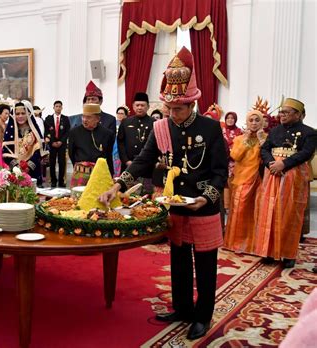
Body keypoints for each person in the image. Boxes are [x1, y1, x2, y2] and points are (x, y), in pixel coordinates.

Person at [100, 47, 228, 340]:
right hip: (176, 206)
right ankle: (182, 308)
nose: (173, 114)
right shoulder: (162, 127)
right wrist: (118, 185)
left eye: (179, 109)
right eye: (170, 109)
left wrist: (205, 198)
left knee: (205, 266)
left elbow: (221, 172)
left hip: (203, 206)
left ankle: (202, 316)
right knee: (179, 261)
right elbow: (144, 161)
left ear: (192, 105)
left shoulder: (210, 129)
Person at [254, 98, 317, 268]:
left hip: (293, 175)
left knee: (289, 214)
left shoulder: (309, 133)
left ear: (298, 115)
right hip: (272, 173)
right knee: (269, 212)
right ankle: (267, 252)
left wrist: (284, 164)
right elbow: (264, 149)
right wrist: (271, 164)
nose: (282, 115)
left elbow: (306, 153)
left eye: (286, 112)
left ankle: (288, 254)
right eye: (281, 112)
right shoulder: (274, 131)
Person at [223, 110, 266, 253]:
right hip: (242, 178)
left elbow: (268, 158)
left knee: (257, 211)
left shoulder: (266, 138)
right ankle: (236, 244)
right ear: (247, 122)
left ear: (262, 122)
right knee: (239, 210)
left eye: (257, 120)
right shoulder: (239, 139)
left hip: (260, 179)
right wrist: (246, 140)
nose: (254, 123)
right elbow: (235, 156)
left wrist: (262, 142)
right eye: (251, 120)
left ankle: (254, 245)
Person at [68, 103, 115, 187]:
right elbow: (71, 153)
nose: (84, 120)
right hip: (81, 174)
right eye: (83, 116)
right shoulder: (74, 132)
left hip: (99, 174)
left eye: (88, 117)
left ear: (97, 119)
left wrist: (111, 174)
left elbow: (108, 155)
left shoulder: (107, 134)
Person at [3, 100, 46, 185]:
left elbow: (39, 149)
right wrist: (17, 167)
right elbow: (6, 152)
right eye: (17, 114)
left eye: (23, 113)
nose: (20, 116)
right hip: (15, 171)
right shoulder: (10, 131)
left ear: (28, 114)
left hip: (33, 169)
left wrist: (28, 166)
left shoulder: (34, 131)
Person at [117, 92, 154, 172]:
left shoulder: (154, 123)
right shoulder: (125, 122)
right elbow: (120, 143)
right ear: (133, 106)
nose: (140, 108)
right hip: (127, 165)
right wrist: (126, 161)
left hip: (147, 166)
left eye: (142, 105)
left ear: (148, 107)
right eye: (137, 105)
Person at [44, 100, 70, 187]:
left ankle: (61, 181)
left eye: (60, 106)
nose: (58, 108)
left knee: (62, 162)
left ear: (62, 108)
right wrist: (52, 142)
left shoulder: (66, 119)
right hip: (52, 145)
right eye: (56, 106)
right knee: (52, 163)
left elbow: (67, 132)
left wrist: (61, 141)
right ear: (53, 107)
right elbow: (46, 132)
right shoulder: (48, 119)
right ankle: (53, 181)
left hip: (62, 145)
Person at [113, 106, 129, 177]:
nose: (120, 115)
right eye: (118, 113)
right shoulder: (113, 124)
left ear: (126, 115)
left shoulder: (128, 124)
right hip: (113, 147)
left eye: (122, 113)